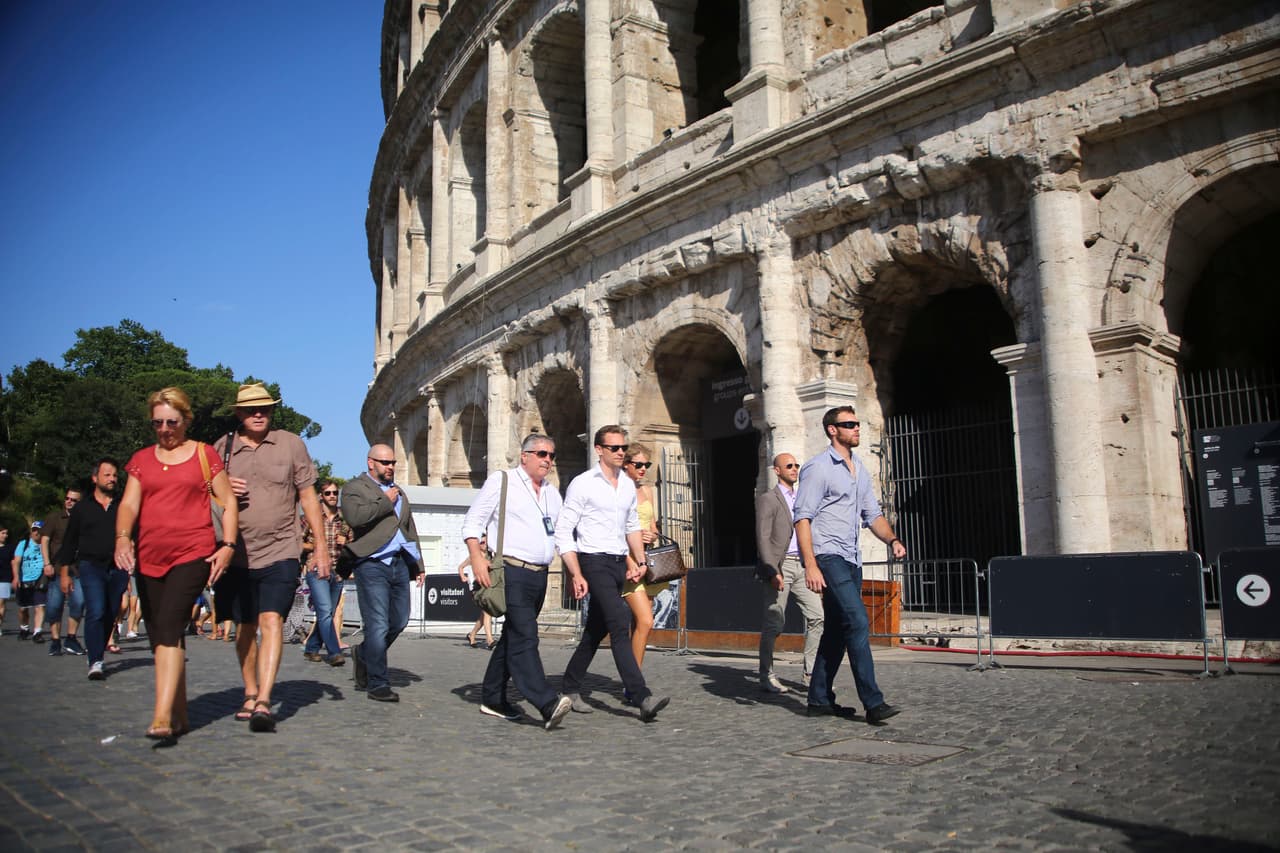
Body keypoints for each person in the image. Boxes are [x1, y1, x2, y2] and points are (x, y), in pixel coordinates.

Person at [114, 386, 239, 739]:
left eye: (171, 422)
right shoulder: (141, 459)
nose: (165, 429)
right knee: (159, 635)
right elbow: (128, 505)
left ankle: (162, 714)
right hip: (150, 557)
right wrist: (122, 537)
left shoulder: (203, 454)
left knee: (170, 626)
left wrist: (227, 545)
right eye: (157, 423)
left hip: (192, 553)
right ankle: (181, 712)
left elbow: (228, 502)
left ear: (186, 420)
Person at [212, 382, 329, 732]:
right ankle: (250, 689)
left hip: (282, 548)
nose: (258, 414)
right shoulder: (222, 449)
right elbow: (200, 494)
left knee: (271, 621)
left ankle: (264, 698)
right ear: (238, 413)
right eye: (250, 409)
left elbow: (308, 497)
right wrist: (219, 488)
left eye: (264, 407)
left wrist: (320, 546)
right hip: (237, 552)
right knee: (245, 628)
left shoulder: (291, 444)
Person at [794, 406, 905, 724]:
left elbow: (873, 515)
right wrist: (811, 565)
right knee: (857, 622)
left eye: (857, 423)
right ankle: (874, 703)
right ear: (832, 430)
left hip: (851, 557)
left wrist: (892, 540)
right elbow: (802, 518)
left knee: (836, 631)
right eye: (849, 424)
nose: (857, 428)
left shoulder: (860, 468)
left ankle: (818, 699)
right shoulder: (818, 468)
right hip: (828, 556)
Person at [557, 425, 669, 722]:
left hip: (620, 562)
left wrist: (640, 560)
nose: (621, 453)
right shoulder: (583, 483)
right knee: (620, 621)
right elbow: (564, 530)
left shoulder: (627, 486)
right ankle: (640, 695)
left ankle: (568, 688)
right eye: (615, 448)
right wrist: (575, 572)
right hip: (593, 560)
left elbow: (632, 525)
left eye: (623, 448)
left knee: (595, 630)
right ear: (599, 450)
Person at [462, 434, 573, 731]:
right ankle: (546, 702)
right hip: (510, 571)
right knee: (526, 636)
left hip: (540, 574)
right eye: (540, 454)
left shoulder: (552, 492)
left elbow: (561, 534)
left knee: (513, 637)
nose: (547, 460)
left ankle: (492, 697)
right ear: (524, 456)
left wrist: (577, 570)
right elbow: (473, 522)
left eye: (551, 454)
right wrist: (476, 557)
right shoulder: (503, 481)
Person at [340, 444, 425, 702]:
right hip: (372, 563)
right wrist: (384, 502)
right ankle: (378, 682)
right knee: (377, 624)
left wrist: (419, 564)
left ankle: (364, 653)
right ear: (370, 462)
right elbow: (355, 518)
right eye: (385, 462)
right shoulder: (355, 488)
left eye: (393, 463)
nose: (390, 467)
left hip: (400, 563)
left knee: (399, 620)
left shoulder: (400, 492)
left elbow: (409, 527)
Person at [54, 458, 130, 680]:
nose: (112, 479)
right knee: (95, 610)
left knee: (110, 612)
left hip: (117, 566)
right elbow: (70, 542)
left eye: (115, 475)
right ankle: (95, 660)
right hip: (91, 566)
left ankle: (99, 649)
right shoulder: (82, 508)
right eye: (107, 475)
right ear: (95, 478)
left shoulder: (123, 506)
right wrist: (65, 573)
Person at [756, 452, 823, 693]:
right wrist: (772, 570)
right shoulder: (768, 499)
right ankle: (767, 674)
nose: (794, 469)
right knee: (774, 622)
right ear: (776, 470)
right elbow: (763, 537)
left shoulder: (802, 497)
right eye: (789, 466)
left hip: (803, 564)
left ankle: (811, 673)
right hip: (781, 564)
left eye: (796, 465)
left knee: (818, 617)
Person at [620, 444, 662, 695]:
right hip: (630, 563)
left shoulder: (647, 490)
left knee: (639, 624)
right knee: (646, 620)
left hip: (649, 562)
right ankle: (634, 683)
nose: (643, 469)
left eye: (646, 465)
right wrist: (630, 559)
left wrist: (652, 534)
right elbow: (616, 531)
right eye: (638, 465)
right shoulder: (618, 491)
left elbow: (654, 526)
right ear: (626, 464)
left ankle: (632, 678)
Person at [300, 479, 351, 666]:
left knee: (327, 612)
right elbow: (297, 542)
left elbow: (354, 544)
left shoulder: (344, 520)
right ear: (321, 496)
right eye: (328, 493)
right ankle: (334, 652)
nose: (332, 496)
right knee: (324, 611)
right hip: (316, 571)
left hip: (337, 572)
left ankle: (312, 647)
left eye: (335, 493)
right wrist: (314, 545)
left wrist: (346, 543)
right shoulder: (311, 517)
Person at [43, 488, 86, 657]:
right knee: (54, 605)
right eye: (67, 498)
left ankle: (71, 638)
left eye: (74, 500)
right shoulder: (55, 518)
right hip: (57, 567)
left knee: (79, 602)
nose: (69, 501)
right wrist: (46, 563)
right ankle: (55, 641)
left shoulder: (83, 519)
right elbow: (45, 540)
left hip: (77, 568)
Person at [12, 522, 47, 641]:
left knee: (40, 606)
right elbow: (16, 561)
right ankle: (24, 628)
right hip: (25, 578)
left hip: (40, 578)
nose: (37, 532)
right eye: (34, 530)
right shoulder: (24, 544)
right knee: (23, 608)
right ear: (31, 532)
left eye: (39, 530)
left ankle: (37, 632)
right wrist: (16, 577)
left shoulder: (45, 544)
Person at [456, 543, 494, 649]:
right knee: (487, 613)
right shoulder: (474, 556)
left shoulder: (490, 555)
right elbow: (461, 567)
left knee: (483, 617)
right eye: (481, 543)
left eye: (485, 543)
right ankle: (490, 640)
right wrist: (463, 577)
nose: (484, 545)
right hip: (478, 589)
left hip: (488, 587)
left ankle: (472, 635)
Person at [0, 527, 15, 636]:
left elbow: (14, 563)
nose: (5, 535)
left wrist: (15, 577)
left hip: (5, 578)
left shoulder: (10, 548)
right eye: (3, 533)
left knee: (1, 603)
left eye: (6, 533)